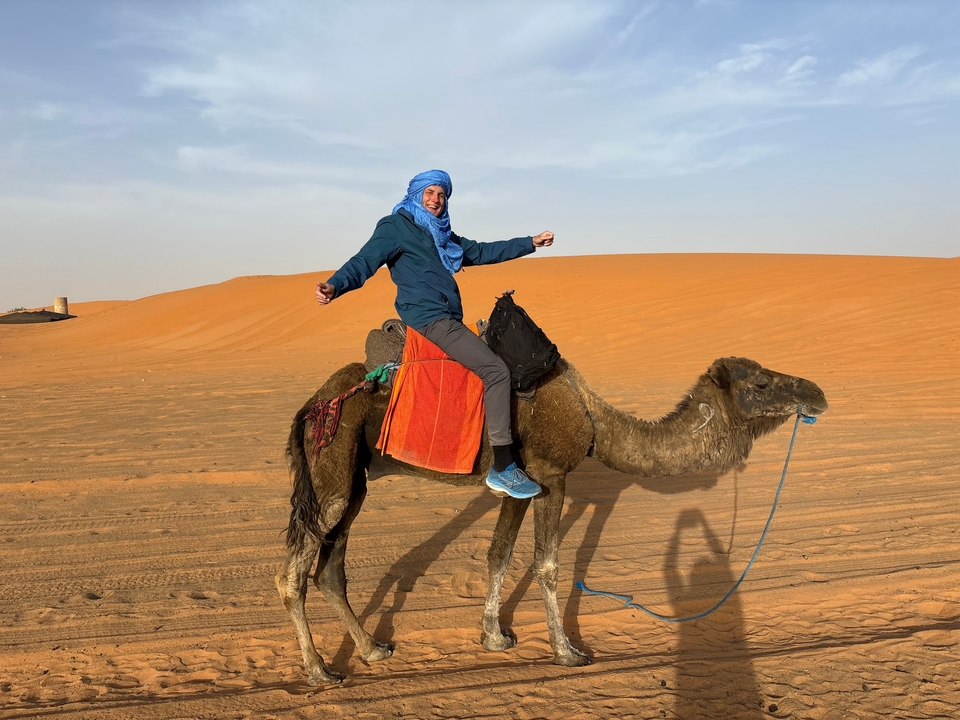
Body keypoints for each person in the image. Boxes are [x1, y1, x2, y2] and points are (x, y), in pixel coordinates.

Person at [315, 169, 554, 499]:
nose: (436, 199)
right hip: (430, 319)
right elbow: (364, 261)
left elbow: (482, 251)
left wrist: (530, 243)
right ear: (415, 194)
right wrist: (334, 285)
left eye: (442, 195)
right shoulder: (395, 226)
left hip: (447, 318)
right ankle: (502, 467)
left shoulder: (443, 237)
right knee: (496, 372)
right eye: (429, 192)